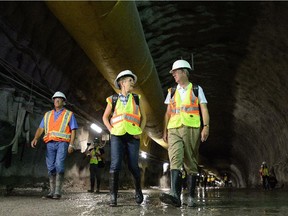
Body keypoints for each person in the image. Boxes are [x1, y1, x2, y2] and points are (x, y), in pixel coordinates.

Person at [159, 59, 210, 207]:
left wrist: (206, 126)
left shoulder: (196, 89)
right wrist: (165, 130)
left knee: (190, 161)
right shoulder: (172, 91)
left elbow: (204, 109)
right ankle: (175, 195)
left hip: (191, 127)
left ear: (184, 72)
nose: (173, 74)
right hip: (173, 128)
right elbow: (168, 113)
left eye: (175, 72)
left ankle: (191, 196)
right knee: (175, 159)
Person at [102, 70, 146, 207]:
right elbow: (105, 117)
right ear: (122, 83)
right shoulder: (113, 99)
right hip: (117, 135)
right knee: (115, 165)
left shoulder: (137, 98)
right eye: (130, 80)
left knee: (133, 165)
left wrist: (140, 130)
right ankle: (113, 197)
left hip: (133, 135)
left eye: (133, 81)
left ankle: (138, 191)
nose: (132, 83)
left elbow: (144, 117)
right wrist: (111, 130)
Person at [31, 91, 78, 199]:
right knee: (51, 167)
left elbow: (73, 130)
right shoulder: (47, 115)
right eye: (55, 99)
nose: (56, 100)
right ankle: (51, 192)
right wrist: (36, 138)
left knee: (59, 165)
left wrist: (71, 145)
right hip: (50, 144)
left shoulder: (69, 114)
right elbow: (41, 128)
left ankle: (57, 192)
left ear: (63, 102)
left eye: (59, 99)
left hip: (62, 143)